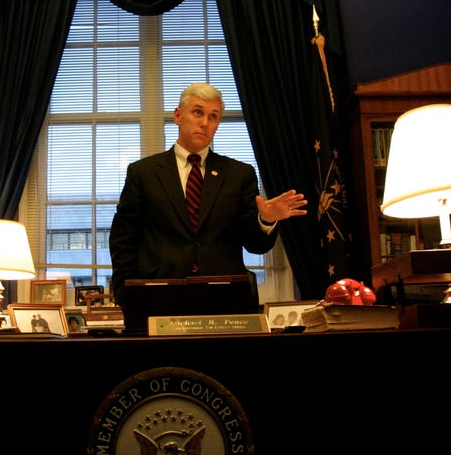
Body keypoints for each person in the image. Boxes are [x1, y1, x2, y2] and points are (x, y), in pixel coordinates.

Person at [109, 82, 308, 311]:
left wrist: (266, 220)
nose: (205, 123)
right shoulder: (143, 173)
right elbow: (123, 239)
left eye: (213, 117)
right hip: (158, 296)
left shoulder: (239, 174)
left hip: (224, 299)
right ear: (178, 115)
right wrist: (127, 293)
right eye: (198, 112)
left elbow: (255, 244)